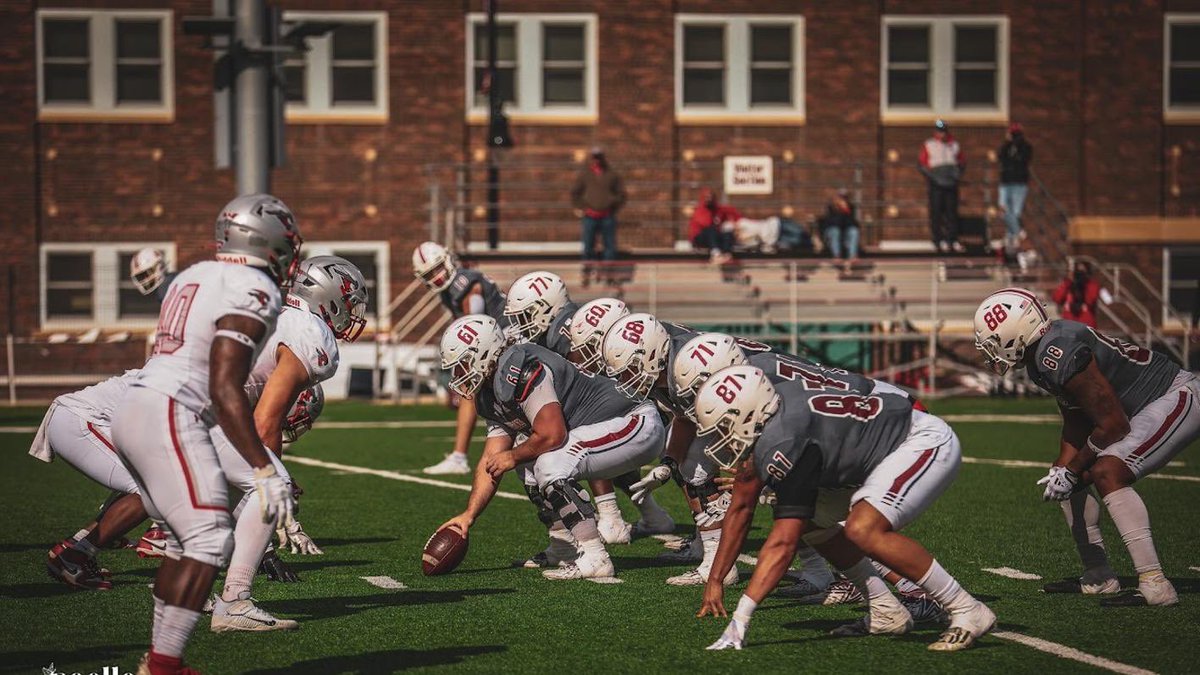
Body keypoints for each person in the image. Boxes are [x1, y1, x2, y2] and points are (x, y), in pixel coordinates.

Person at [110, 193, 301, 675]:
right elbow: (223, 385)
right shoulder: (254, 286)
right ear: (267, 241)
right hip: (172, 410)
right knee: (210, 537)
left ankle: (159, 660)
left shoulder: (194, 273)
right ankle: (164, 664)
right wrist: (263, 467)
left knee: (183, 538)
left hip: (136, 403)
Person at [695, 365, 995, 652]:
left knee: (863, 528)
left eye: (724, 425)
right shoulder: (779, 409)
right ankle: (884, 610)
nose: (722, 437)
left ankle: (967, 608)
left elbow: (783, 544)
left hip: (920, 441)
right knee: (812, 520)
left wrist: (741, 617)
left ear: (749, 412)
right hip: (878, 450)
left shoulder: (785, 438)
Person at [974, 288, 1198, 607]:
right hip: (1143, 407)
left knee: (1108, 471)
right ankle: (1099, 575)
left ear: (1015, 332)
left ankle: (1156, 584)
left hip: (1174, 395)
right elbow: (1077, 421)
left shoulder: (1056, 352)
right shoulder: (1042, 357)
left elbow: (1113, 425)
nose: (990, 350)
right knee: (1070, 478)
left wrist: (1074, 468)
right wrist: (1063, 472)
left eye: (994, 340)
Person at [437, 315, 665, 580]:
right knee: (526, 457)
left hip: (633, 421)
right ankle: (564, 547)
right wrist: (469, 516)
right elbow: (491, 460)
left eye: (463, 364)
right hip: (605, 430)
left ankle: (595, 556)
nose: (459, 374)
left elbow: (552, 435)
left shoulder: (521, 369)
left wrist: (511, 456)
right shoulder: (489, 394)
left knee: (547, 461)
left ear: (484, 353)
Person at [209, 255, 368, 633]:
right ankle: (234, 600)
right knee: (272, 485)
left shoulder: (277, 311)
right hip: (194, 411)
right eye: (348, 303)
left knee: (224, 490)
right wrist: (275, 488)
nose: (350, 314)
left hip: (182, 403)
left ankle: (187, 583)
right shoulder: (309, 331)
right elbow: (267, 420)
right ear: (328, 297)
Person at [504, 275, 674, 547]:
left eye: (526, 315)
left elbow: (591, 406)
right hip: (637, 398)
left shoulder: (560, 335)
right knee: (606, 447)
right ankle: (652, 514)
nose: (521, 324)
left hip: (639, 400)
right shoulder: (564, 322)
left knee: (583, 437)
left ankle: (610, 517)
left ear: (547, 307)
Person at [412, 241, 508, 476]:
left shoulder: (464, 283)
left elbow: (473, 319)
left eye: (437, 269)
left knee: (469, 389)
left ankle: (459, 457)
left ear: (448, 260)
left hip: (508, 339)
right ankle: (459, 456)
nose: (436, 277)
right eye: (429, 274)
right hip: (497, 339)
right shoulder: (449, 289)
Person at [570, 147, 626, 263]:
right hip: (590, 216)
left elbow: (621, 194)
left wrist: (613, 206)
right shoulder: (585, 175)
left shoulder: (612, 175)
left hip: (607, 216)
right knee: (588, 245)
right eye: (595, 158)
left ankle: (609, 272)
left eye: (599, 158)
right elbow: (575, 193)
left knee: (610, 245)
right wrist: (582, 207)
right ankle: (588, 270)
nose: (597, 161)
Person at [918, 119, 966, 253]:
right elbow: (922, 164)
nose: (941, 134)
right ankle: (937, 241)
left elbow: (961, 162)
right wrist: (933, 177)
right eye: (939, 132)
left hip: (951, 183)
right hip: (936, 184)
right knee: (936, 212)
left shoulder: (954, 145)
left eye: (943, 131)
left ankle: (952, 240)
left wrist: (956, 175)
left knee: (951, 213)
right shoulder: (929, 144)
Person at [997, 123, 1033, 255]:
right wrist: (1007, 144)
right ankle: (1020, 234)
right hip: (1006, 182)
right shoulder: (1006, 147)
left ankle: (1011, 237)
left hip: (1019, 183)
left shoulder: (1026, 147)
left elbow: (1022, 160)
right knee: (1003, 211)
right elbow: (1001, 157)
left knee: (1015, 213)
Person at [688, 187, 739, 264]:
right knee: (711, 230)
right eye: (707, 197)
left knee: (727, 232)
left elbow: (732, 212)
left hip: (714, 235)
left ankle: (727, 254)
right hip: (700, 237)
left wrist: (733, 222)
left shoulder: (718, 209)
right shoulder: (700, 210)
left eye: (711, 197)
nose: (709, 199)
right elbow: (706, 224)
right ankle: (716, 255)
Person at [1053, 261, 1101, 328]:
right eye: (1078, 272)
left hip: (1086, 322)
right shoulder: (1068, 284)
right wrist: (1068, 282)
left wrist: (1084, 283)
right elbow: (1057, 298)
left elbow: (1091, 300)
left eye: (1082, 272)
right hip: (1069, 322)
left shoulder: (1092, 285)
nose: (1080, 275)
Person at [820, 188, 861, 263]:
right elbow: (833, 223)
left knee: (854, 231)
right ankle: (836, 255)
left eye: (845, 197)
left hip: (845, 229)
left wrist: (846, 211)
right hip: (832, 229)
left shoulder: (851, 207)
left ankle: (852, 256)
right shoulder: (831, 207)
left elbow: (852, 223)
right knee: (835, 231)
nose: (843, 199)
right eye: (841, 197)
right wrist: (840, 212)